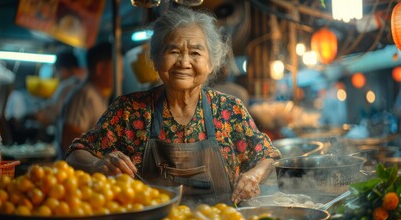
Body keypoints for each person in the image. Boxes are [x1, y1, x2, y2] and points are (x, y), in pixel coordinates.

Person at [66, 7, 281, 205]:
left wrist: (254, 175)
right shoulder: (128, 110)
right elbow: (76, 153)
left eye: (195, 53)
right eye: (174, 51)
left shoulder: (229, 110)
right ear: (156, 59)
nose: (184, 62)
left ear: (211, 63)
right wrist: (97, 165)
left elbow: (267, 156)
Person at [58, 41, 113, 158]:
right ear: (100, 68)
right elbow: (69, 140)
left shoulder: (97, 95)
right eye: (117, 69)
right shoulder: (85, 95)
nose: (121, 75)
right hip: (77, 172)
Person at [33, 49, 84, 127]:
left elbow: (47, 117)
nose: (57, 76)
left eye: (56, 71)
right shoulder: (82, 84)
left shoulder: (66, 87)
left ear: (63, 70)